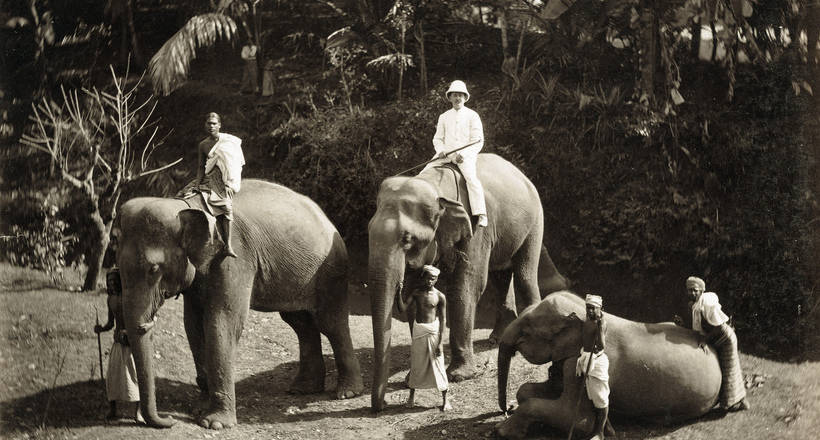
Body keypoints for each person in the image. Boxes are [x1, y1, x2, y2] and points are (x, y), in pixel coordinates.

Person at [675, 276, 750, 412]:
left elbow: (719, 327)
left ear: (702, 291)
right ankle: (735, 400)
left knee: (729, 368)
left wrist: (705, 340)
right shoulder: (694, 305)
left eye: (695, 290)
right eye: (689, 290)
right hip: (713, 336)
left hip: (724, 337)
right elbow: (698, 326)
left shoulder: (708, 303)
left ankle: (734, 403)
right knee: (720, 367)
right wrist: (682, 325)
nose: (692, 293)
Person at [423, 80, 488, 227]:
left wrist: (463, 155)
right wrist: (440, 151)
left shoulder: (473, 115)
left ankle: (481, 213)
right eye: (455, 95)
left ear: (465, 98)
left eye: (460, 95)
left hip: (465, 156)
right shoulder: (444, 116)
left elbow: (478, 141)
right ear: (450, 97)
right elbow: (437, 138)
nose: (457, 98)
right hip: (446, 154)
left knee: (472, 180)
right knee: (423, 172)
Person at [180, 112, 245, 257]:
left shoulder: (228, 142)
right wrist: (197, 183)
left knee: (227, 208)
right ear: (205, 125)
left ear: (219, 125)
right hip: (209, 177)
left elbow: (234, 165)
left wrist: (230, 183)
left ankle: (227, 245)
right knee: (185, 194)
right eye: (209, 123)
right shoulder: (203, 145)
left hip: (224, 179)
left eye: (214, 123)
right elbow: (201, 166)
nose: (211, 126)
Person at [396, 265, 451, 411]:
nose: (429, 281)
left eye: (432, 279)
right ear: (423, 278)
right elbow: (402, 308)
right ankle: (411, 397)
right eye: (427, 278)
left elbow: (443, 320)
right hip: (419, 330)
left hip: (433, 332)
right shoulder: (417, 293)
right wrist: (398, 292)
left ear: (437, 279)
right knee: (416, 364)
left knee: (438, 364)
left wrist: (440, 343)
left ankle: (446, 400)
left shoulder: (440, 297)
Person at [95, 268, 146, 422]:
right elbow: (111, 323)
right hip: (118, 341)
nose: (112, 283)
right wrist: (101, 328)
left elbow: (142, 317)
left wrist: (140, 329)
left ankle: (138, 412)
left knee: (135, 376)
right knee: (113, 377)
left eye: (114, 280)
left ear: (120, 280)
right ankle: (113, 410)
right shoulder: (110, 299)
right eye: (109, 280)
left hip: (132, 343)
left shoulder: (130, 297)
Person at [576, 294, 609, 440]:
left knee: (600, 397)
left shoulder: (601, 323)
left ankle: (600, 433)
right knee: (593, 396)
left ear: (600, 308)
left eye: (592, 308)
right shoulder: (588, 321)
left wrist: (600, 328)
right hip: (586, 359)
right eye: (587, 308)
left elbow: (602, 345)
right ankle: (606, 427)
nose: (589, 311)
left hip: (596, 362)